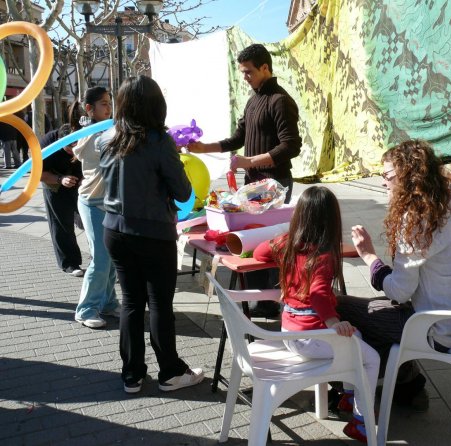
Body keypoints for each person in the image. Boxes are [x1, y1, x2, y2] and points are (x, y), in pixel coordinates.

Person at [337, 140, 451, 409]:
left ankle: (359, 391)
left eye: (388, 176)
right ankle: (405, 386)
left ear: (408, 178)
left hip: (440, 329)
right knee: (375, 313)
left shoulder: (415, 222)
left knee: (341, 307)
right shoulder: (445, 202)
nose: (383, 183)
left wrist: (369, 257)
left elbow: (399, 290)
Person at [98, 75, 204, 394]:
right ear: (157, 105)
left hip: (114, 230)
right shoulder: (158, 140)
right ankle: (170, 372)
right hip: (153, 232)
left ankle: (132, 374)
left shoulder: (107, 137)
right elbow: (183, 190)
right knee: (159, 303)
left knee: (131, 302)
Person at [254, 186, 380, 443]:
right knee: (371, 358)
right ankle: (361, 421)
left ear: (299, 215)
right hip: (313, 337)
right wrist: (334, 321)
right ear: (332, 220)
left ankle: (347, 397)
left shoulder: (285, 243)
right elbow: (319, 293)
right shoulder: (323, 255)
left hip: (289, 332)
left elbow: (258, 253)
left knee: (356, 338)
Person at [187, 43, 302, 318]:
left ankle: (271, 301)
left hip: (275, 185)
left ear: (265, 68)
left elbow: (291, 146)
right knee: (250, 240)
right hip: (254, 185)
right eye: (242, 72)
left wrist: (249, 162)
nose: (245, 77)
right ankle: (258, 298)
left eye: (249, 72)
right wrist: (205, 148)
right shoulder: (253, 100)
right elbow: (238, 138)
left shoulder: (280, 101)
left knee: (271, 243)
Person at [73, 87, 120, 329]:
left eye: (110, 103)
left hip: (110, 203)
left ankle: (108, 303)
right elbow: (110, 152)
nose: (108, 107)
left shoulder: (108, 130)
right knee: (100, 259)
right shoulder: (90, 135)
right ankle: (86, 309)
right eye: (103, 103)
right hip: (92, 202)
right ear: (89, 109)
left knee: (111, 257)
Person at [39, 103, 85, 277]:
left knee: (87, 222)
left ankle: (100, 261)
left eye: (76, 148)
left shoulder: (84, 140)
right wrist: (60, 179)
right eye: (69, 148)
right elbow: (37, 174)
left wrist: (83, 181)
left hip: (81, 184)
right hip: (55, 185)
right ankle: (70, 263)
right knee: (61, 225)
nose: (73, 152)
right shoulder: (47, 144)